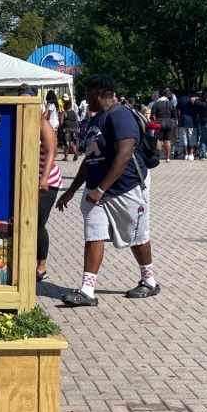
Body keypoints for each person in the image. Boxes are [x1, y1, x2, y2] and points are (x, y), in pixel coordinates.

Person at [55, 73, 160, 306]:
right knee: (94, 235)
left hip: (126, 187)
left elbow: (124, 154)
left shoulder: (120, 115)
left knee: (137, 236)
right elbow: (89, 159)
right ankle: (87, 291)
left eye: (88, 93)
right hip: (96, 191)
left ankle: (149, 281)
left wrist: (101, 189)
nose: (85, 97)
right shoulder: (95, 120)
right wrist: (71, 191)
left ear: (100, 92)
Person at [36, 107, 62, 281]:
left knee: (38, 224)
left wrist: (44, 178)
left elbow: (52, 151)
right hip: (27, 181)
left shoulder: (42, 124)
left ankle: (42, 268)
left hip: (47, 181)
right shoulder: (20, 122)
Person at [150, 89, 177, 162]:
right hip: (168, 122)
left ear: (159, 95)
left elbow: (152, 116)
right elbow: (174, 115)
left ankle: (158, 157)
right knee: (167, 141)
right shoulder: (171, 104)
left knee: (160, 141)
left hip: (160, 122)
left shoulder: (156, 104)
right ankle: (168, 157)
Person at [177, 91, 197, 160]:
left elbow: (177, 108)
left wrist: (178, 117)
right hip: (192, 121)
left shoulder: (182, 99)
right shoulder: (195, 100)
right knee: (192, 138)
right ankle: (191, 154)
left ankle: (186, 154)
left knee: (184, 138)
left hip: (183, 120)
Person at [60, 94, 80, 161]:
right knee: (73, 142)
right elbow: (77, 120)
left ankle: (65, 157)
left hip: (67, 129)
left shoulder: (64, 113)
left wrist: (61, 128)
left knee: (66, 143)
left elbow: (61, 122)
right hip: (74, 128)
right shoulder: (74, 112)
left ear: (65, 106)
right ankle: (75, 153)